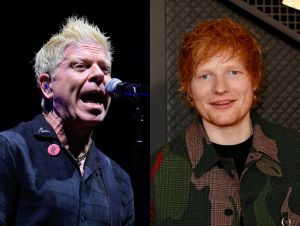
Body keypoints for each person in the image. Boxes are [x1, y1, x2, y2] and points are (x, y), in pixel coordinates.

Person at [150, 17, 300, 226]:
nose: (220, 88)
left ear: (255, 79)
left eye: (233, 72)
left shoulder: (295, 154)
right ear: (189, 88)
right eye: (205, 76)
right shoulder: (155, 173)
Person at [0, 16, 134, 226]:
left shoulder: (118, 179)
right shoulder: (10, 150)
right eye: (81, 66)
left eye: (105, 69)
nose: (99, 75)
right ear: (47, 86)